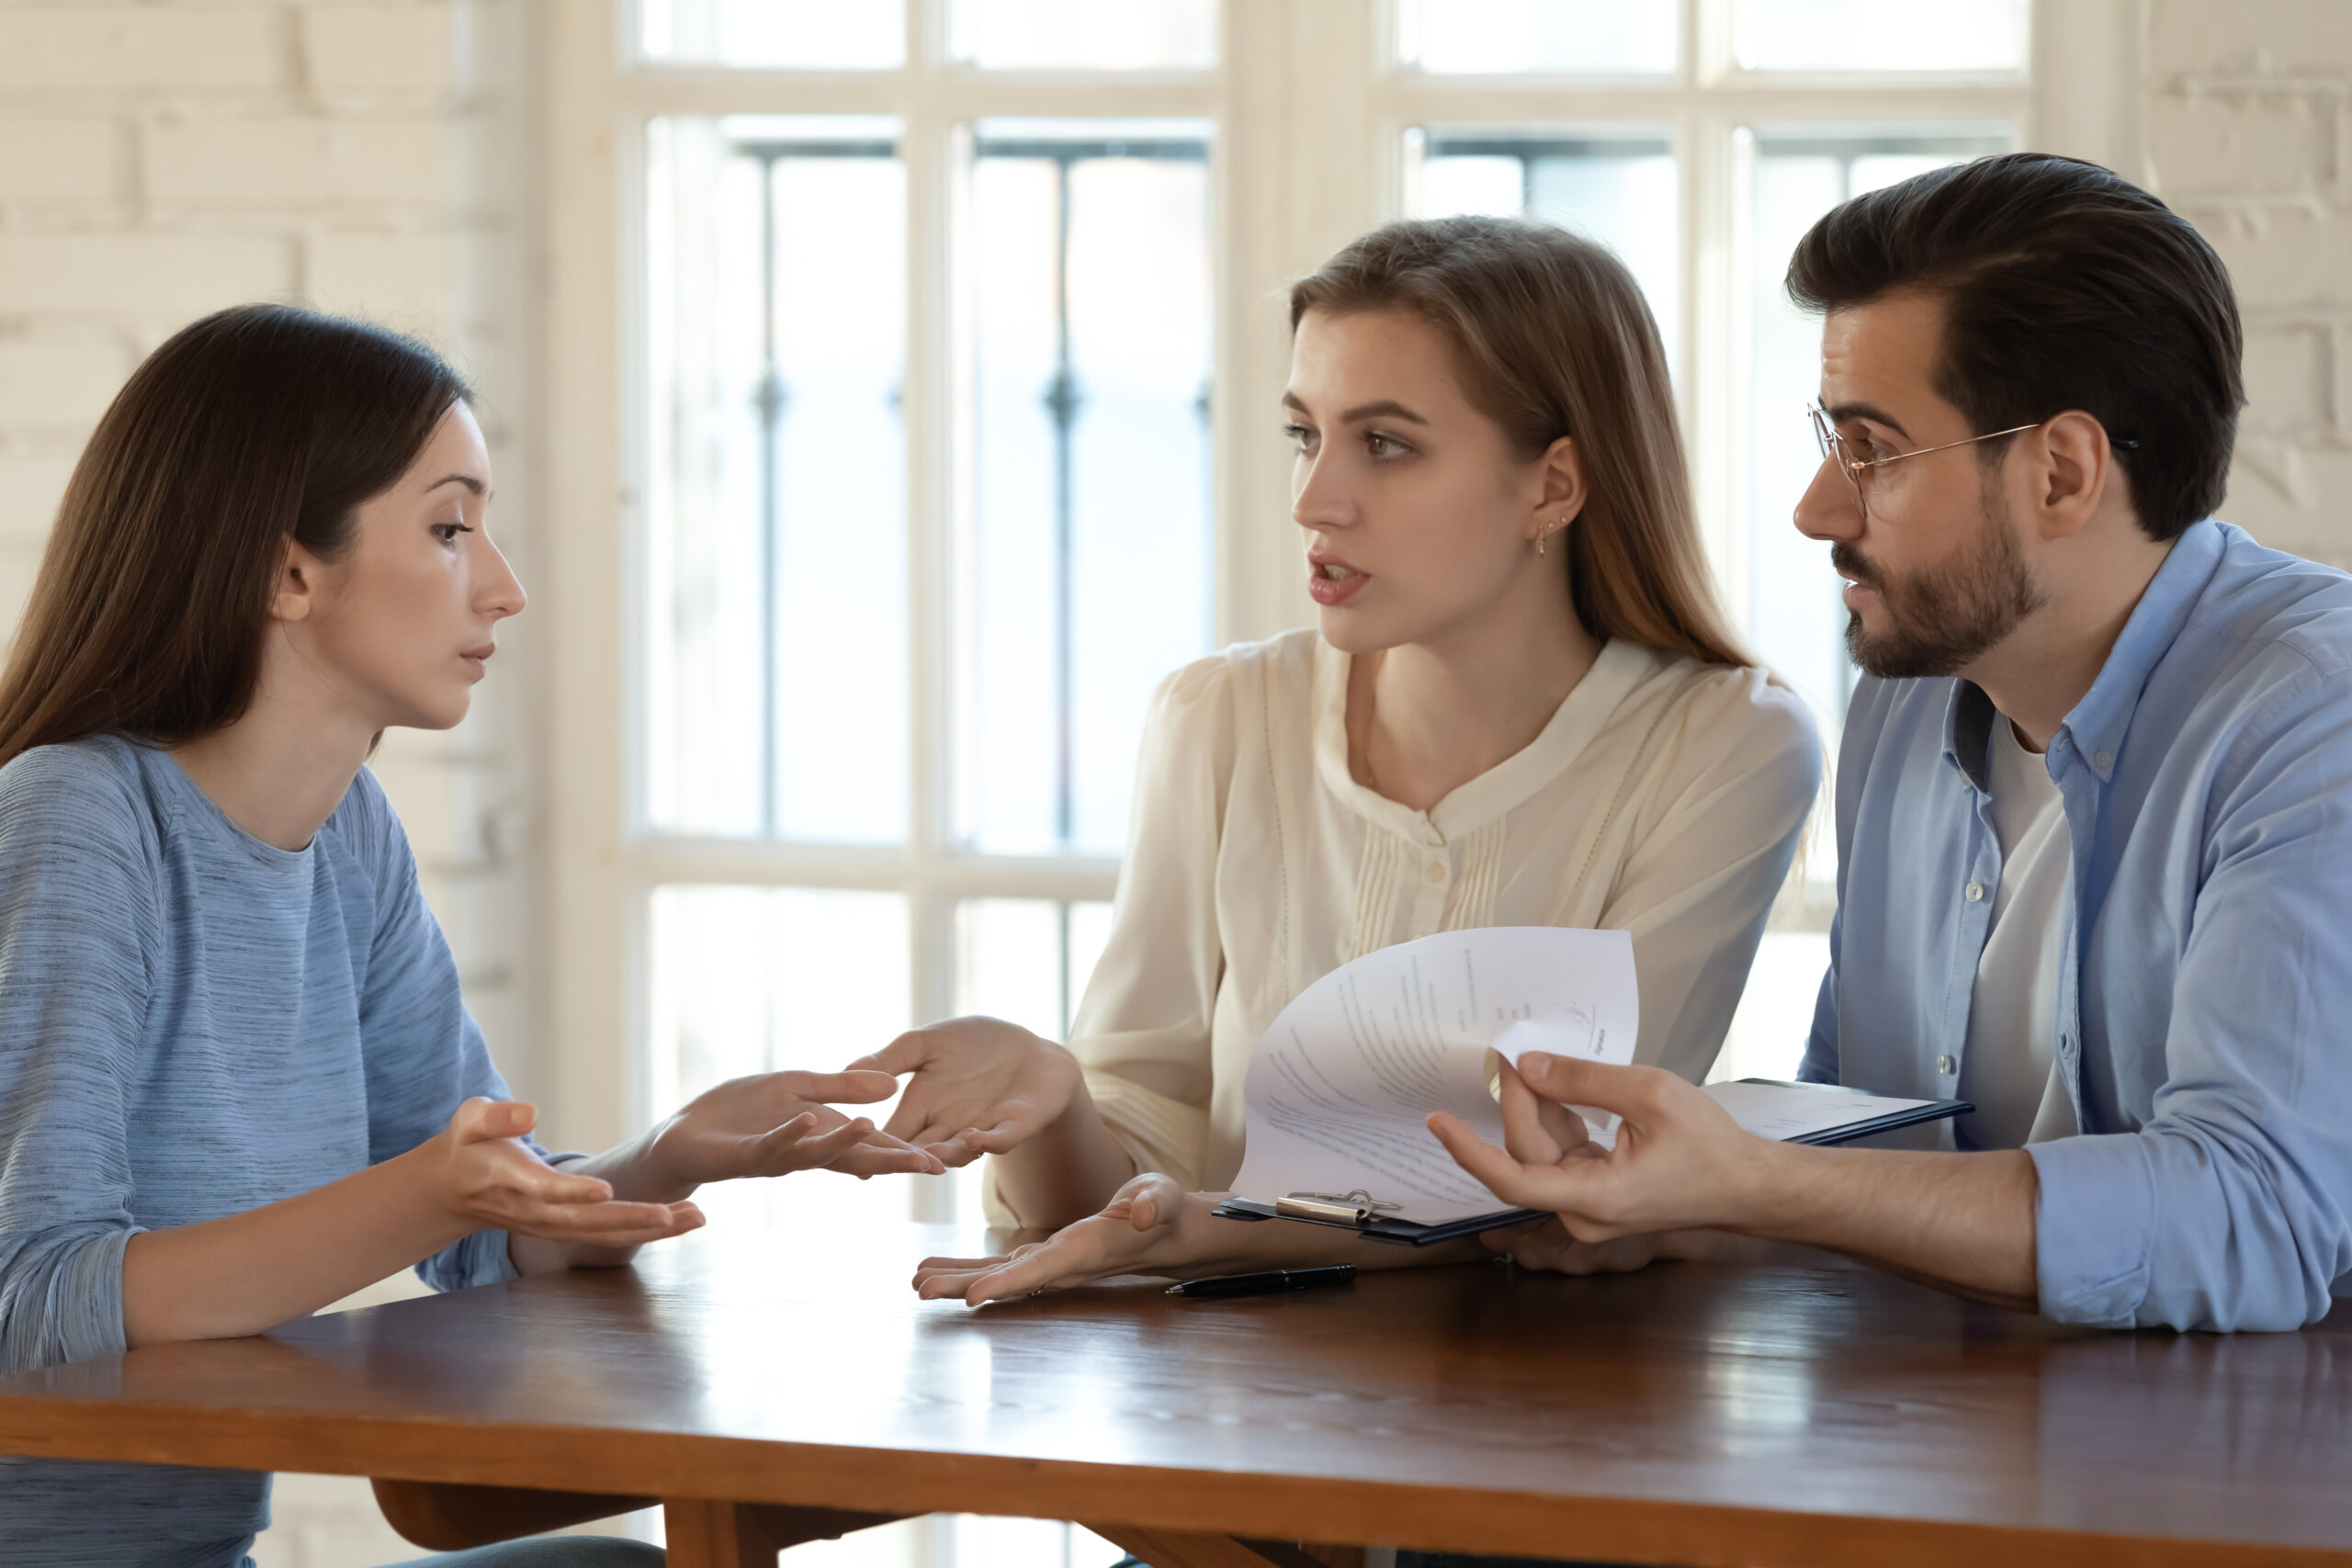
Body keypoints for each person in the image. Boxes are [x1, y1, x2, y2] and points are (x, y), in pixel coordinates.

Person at [0, 304, 943, 1568]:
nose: (504, 584)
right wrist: (427, 1190)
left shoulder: (347, 835)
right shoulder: (77, 817)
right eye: (450, 527)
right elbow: (34, 1302)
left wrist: (660, 1156)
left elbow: (474, 1232)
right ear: (287, 571)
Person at [1399, 151, 2352, 1336]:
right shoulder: (1908, 695)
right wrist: (1663, 1195)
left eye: (1872, 450)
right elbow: (1867, 1136)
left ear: (2060, 471)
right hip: (1942, 1433)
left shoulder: (2313, 716)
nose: (1817, 508)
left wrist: (1760, 1185)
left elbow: (2257, 1216)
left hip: (2244, 1475)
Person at [883, 214, 1820, 1298]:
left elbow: (1574, 1189)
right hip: (1219, 1409)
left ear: (1553, 487)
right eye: (1303, 434)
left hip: (1543, 1405)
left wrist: (1204, 1232)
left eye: (1384, 443)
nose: (1312, 502)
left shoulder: (1727, 748)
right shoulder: (1219, 718)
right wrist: (1049, 1108)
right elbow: (1117, 1203)